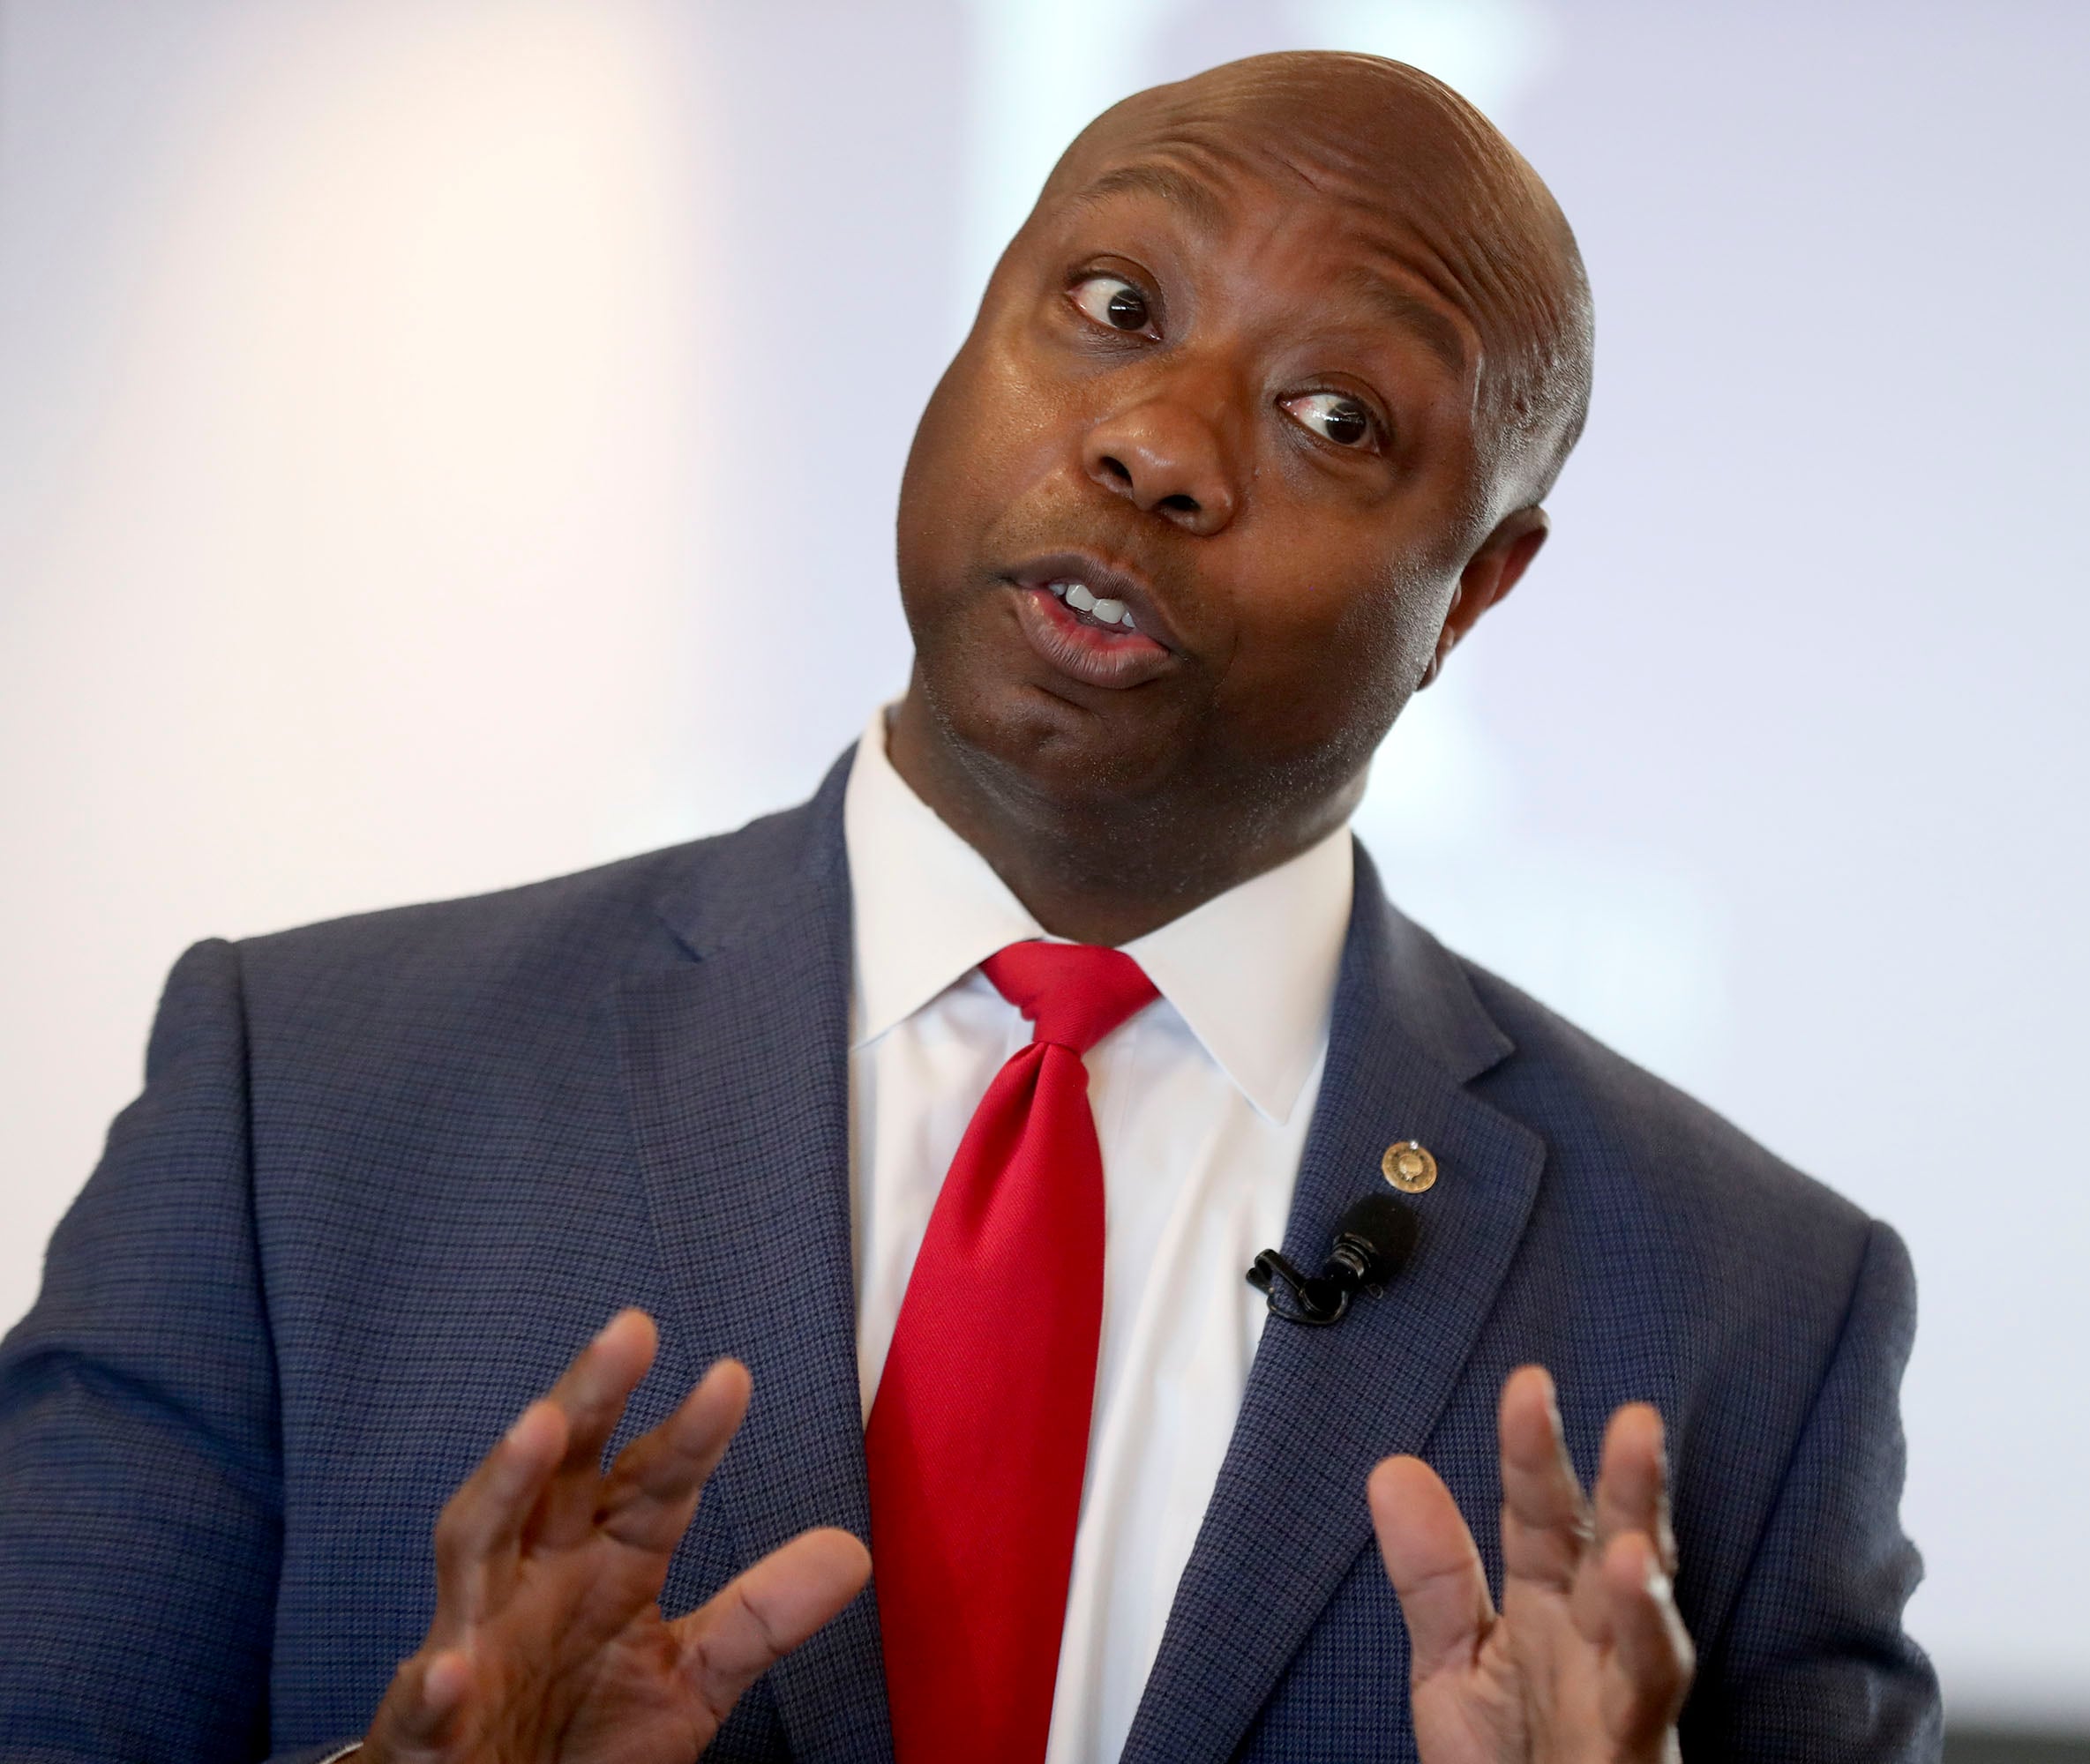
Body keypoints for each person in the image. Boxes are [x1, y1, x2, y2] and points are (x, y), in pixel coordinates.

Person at [0, 49, 1937, 1764]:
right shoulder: (309, 1103)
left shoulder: (1752, 1308)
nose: (1158, 445)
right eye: (1110, 304)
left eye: (1337, 418)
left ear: (1480, 591)